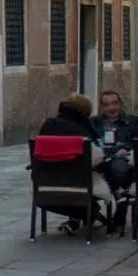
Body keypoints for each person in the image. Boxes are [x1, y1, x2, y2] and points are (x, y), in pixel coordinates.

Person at [37, 94, 101, 235]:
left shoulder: (48, 124)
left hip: (45, 183)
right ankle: (92, 212)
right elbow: (96, 158)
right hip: (79, 183)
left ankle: (79, 217)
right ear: (85, 112)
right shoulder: (82, 129)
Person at [90, 90, 138, 228]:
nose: (111, 108)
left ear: (120, 103)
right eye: (107, 104)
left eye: (114, 103)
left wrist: (128, 148)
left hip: (125, 162)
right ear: (101, 107)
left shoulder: (136, 122)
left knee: (118, 167)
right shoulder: (93, 123)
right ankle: (120, 197)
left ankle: (120, 202)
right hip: (100, 162)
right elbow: (89, 142)